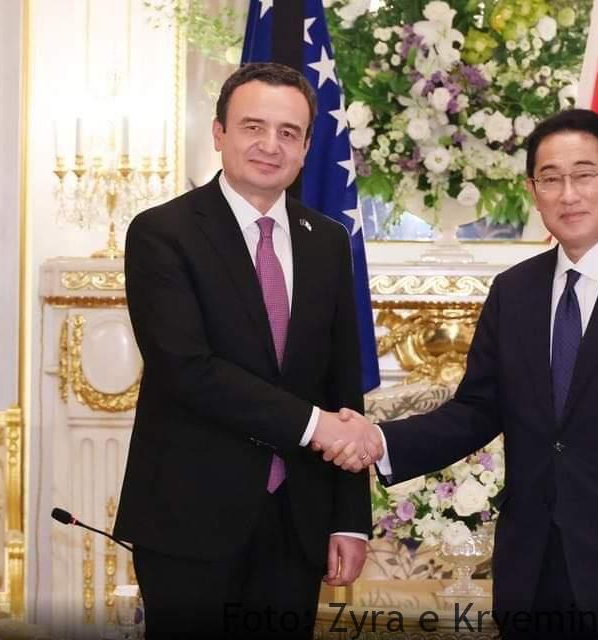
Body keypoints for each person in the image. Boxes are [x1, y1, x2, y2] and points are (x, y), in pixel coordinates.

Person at [322, 109, 598, 638]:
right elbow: (476, 411)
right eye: (551, 179)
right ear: (532, 192)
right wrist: (378, 439)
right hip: (531, 570)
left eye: (584, 174)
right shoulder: (514, 291)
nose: (568, 194)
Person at [113, 62, 383, 639]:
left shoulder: (328, 241)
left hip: (297, 524)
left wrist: (350, 520)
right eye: (252, 127)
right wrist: (314, 426)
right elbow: (188, 370)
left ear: (306, 148)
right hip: (189, 520)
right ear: (219, 133)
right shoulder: (162, 233)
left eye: (288, 132)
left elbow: (342, 383)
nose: (270, 145)